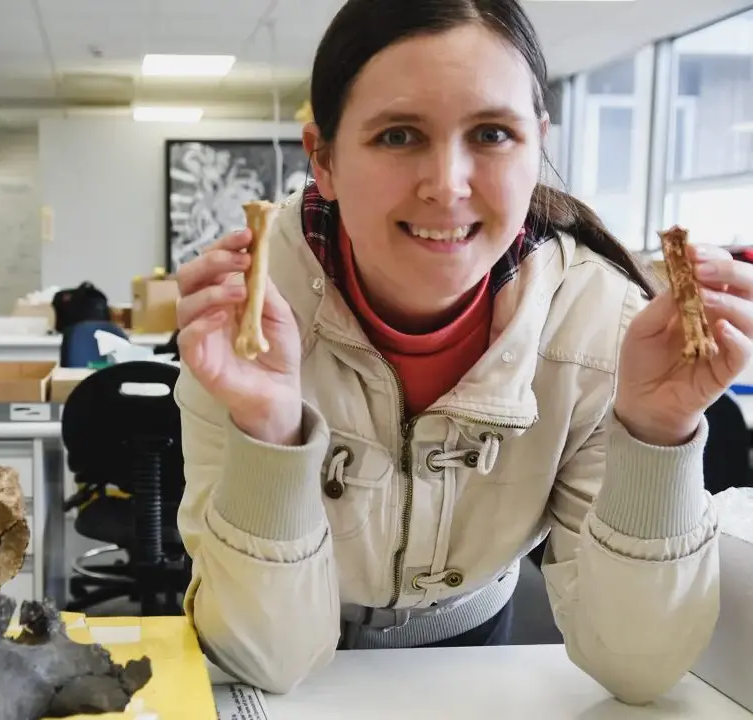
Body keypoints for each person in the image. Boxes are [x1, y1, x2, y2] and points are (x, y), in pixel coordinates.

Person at [172, 0, 750, 706]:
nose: (446, 184)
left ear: (537, 141)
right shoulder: (246, 324)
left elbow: (639, 667)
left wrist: (657, 435)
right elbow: (267, 659)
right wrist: (268, 430)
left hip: (478, 661)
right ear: (321, 159)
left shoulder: (602, 328)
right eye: (398, 135)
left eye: (491, 133)